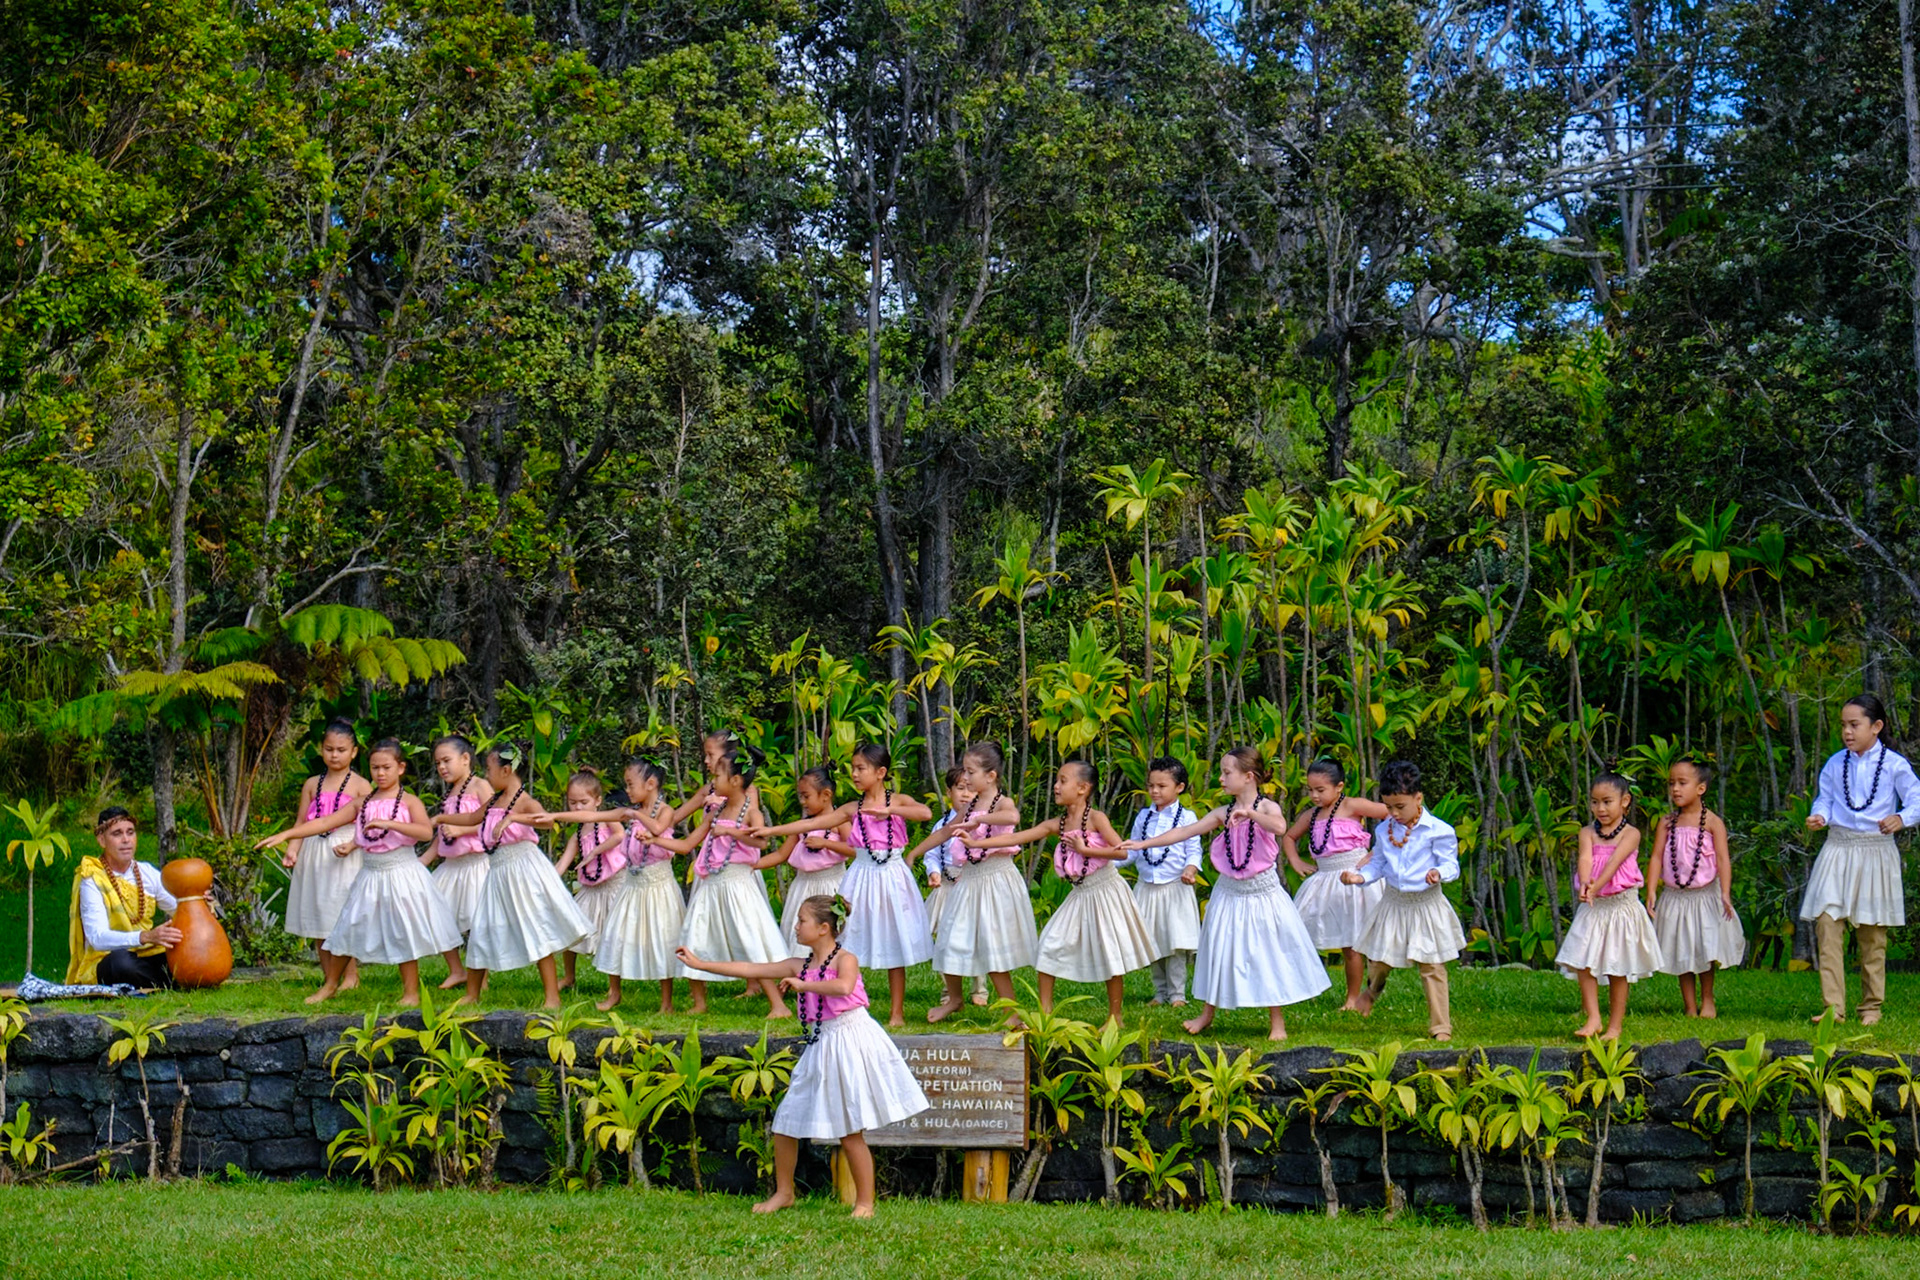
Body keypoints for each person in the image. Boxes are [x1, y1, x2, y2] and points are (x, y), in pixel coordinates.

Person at [677, 894, 930, 1219]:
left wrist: (804, 985)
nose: (795, 926)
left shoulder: (845, 959)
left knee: (850, 1128)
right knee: (786, 1121)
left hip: (850, 1039)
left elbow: (843, 987)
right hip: (820, 1043)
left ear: (824, 928)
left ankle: (865, 1202)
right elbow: (751, 968)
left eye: (801, 921)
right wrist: (700, 964)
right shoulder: (801, 965)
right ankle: (784, 1193)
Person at [1123, 747, 1330, 1040]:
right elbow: (1186, 832)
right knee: (1219, 950)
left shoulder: (1267, 807)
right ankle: (1207, 1014)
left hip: (1262, 895)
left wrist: (1250, 813)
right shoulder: (1223, 812)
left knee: (1268, 954)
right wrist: (1143, 844)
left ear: (1248, 777)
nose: (1221, 778)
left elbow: (1280, 827)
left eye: (1226, 773)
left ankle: (1277, 1022)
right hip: (1228, 892)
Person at [258, 739, 463, 1007]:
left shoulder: (409, 802)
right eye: (375, 767)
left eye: (386, 767)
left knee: (403, 929)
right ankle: (331, 985)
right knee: (347, 926)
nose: (380, 773)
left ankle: (411, 992)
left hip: (402, 871)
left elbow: (425, 831)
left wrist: (390, 823)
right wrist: (287, 833)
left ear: (400, 768)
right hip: (370, 872)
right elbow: (323, 821)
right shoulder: (361, 803)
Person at [746, 744, 933, 1027]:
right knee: (848, 937)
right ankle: (850, 999)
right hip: (861, 875)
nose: (855, 775)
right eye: (853, 769)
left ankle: (897, 1012)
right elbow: (811, 824)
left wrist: (889, 809)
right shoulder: (850, 809)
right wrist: (772, 830)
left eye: (861, 769)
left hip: (893, 874)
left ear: (881, 772)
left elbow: (925, 813)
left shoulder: (899, 800)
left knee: (894, 939)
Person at [966, 761, 1158, 1024]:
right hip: (1080, 893)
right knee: (1048, 945)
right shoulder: (1058, 823)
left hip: (1105, 889)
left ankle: (1115, 1017)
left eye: (1063, 780)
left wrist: (1086, 850)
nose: (1056, 786)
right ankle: (1044, 1013)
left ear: (1082, 788)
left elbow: (1123, 851)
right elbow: (1017, 837)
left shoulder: (1096, 819)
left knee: (1109, 953)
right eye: (1057, 780)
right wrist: (978, 842)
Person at [434, 742, 592, 1011]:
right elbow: (473, 818)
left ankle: (552, 997)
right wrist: (439, 819)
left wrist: (516, 820)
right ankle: (473, 993)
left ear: (506, 770)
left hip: (523, 870)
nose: (486, 774)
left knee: (537, 928)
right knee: (482, 927)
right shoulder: (494, 801)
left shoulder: (525, 801)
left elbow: (548, 822)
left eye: (489, 769)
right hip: (497, 872)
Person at [1802, 693, 1919, 1025]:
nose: (1847, 732)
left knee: (1872, 933)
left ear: (1876, 726)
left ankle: (1871, 1006)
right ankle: (1832, 1008)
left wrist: (1901, 818)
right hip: (1838, 848)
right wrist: (1820, 816)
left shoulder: (1895, 765)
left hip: (1875, 850)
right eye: (1843, 725)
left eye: (1854, 725)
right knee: (1827, 923)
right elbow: (1825, 799)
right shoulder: (1836, 763)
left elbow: (1916, 799)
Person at [655, 742, 792, 1018]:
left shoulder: (751, 812)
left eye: (718, 776)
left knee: (751, 941)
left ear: (735, 780)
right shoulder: (714, 811)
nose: (713, 781)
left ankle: (778, 1005)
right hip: (711, 884)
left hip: (738, 885)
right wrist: (655, 839)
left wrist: (731, 833)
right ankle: (699, 1002)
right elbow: (686, 845)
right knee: (695, 935)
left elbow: (763, 841)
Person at [1341, 760, 1466, 1042]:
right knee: (1382, 960)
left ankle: (1440, 1027)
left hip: (1426, 904)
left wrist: (1438, 873)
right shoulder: (1384, 831)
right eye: (1389, 807)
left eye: (1400, 806)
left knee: (1431, 965)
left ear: (1418, 798)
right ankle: (1371, 993)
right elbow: (1378, 865)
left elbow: (1452, 866)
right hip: (1393, 902)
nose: (1394, 813)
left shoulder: (1439, 830)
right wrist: (1360, 877)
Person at [924, 741, 1036, 1023]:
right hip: (969, 879)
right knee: (948, 938)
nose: (966, 777)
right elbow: (947, 831)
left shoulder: (1002, 803)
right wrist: (915, 852)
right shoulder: (970, 805)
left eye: (971, 772)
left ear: (990, 776)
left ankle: (1010, 1010)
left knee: (992, 945)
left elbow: (1012, 816)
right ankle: (955, 998)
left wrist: (978, 821)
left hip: (996, 879)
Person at [1556, 773, 1662, 1040]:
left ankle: (1615, 1026)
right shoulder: (1587, 832)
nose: (1600, 809)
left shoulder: (1631, 834)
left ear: (1625, 801)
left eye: (1607, 802)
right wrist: (1584, 883)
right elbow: (1585, 859)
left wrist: (1595, 885)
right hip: (1593, 907)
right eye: (1594, 802)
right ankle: (1593, 1017)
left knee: (1617, 967)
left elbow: (1614, 863)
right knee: (1583, 962)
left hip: (1621, 908)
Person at [1281, 758, 1390, 1012]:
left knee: (1363, 941)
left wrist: (1375, 853)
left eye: (1320, 790)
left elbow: (1392, 814)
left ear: (1339, 786)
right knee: (1347, 944)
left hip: (1356, 877)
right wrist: (1295, 860)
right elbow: (1288, 836)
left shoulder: (1353, 806)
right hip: (1326, 881)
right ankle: (1350, 998)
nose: (1314, 796)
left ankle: (1366, 994)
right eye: (1310, 790)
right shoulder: (1311, 815)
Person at [1646, 758, 1743, 1019]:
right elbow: (1656, 856)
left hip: (1704, 896)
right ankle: (1689, 1005)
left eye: (1682, 783)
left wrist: (1725, 892)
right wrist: (1652, 889)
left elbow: (1723, 859)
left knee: (1704, 947)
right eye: (1671, 784)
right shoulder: (1666, 823)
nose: (1675, 789)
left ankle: (1707, 999)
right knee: (1683, 950)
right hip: (1676, 897)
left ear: (1700, 788)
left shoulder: (1713, 823)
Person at [279, 720, 371, 992]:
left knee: (340, 912)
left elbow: (368, 826)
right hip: (314, 852)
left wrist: (354, 845)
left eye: (341, 750)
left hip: (344, 852)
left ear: (353, 752)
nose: (334, 755)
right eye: (329, 749)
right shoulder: (311, 784)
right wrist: (293, 849)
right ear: (321, 750)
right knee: (317, 911)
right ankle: (329, 975)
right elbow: (301, 822)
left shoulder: (361, 785)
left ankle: (350, 975)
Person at [589, 760, 685, 1014]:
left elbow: (657, 828)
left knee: (663, 938)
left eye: (631, 785)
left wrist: (635, 816)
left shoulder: (665, 810)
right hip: (632, 884)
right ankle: (614, 993)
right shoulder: (634, 812)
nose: (627, 790)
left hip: (658, 885)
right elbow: (597, 816)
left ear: (650, 784)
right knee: (615, 934)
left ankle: (666, 1002)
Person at [1117, 757, 1202, 1008]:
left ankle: (1178, 995)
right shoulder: (1143, 816)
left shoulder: (1187, 817)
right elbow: (1132, 851)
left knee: (1175, 943)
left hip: (1175, 887)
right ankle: (1160, 992)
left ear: (1180, 787)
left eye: (1162, 786)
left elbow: (1193, 849)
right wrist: (1108, 863)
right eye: (1151, 785)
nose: (1154, 791)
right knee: (1152, 941)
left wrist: (1190, 869)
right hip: (1147, 887)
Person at [66, 808, 179, 987]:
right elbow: (97, 937)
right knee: (121, 963)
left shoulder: (146, 872)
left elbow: (178, 908)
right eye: (117, 834)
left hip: (147, 954)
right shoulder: (92, 878)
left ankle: (166, 980)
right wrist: (144, 937)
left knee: (184, 950)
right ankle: (172, 981)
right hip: (109, 958)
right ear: (101, 840)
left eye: (130, 832)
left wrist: (195, 900)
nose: (126, 840)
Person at [416, 734, 492, 988]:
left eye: (446, 761)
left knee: (478, 923)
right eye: (438, 763)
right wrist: (420, 864)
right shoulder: (449, 795)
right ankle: (457, 969)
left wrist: (461, 831)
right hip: (451, 866)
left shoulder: (480, 786)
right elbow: (441, 838)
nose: (441, 767)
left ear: (465, 758)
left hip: (476, 864)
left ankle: (480, 978)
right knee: (432, 911)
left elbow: (492, 819)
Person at [910, 769, 990, 1007]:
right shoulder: (942, 825)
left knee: (974, 939)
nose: (966, 794)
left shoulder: (983, 822)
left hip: (972, 885)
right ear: (949, 792)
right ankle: (949, 990)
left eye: (971, 789)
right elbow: (932, 854)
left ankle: (980, 988)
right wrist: (933, 872)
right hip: (947, 887)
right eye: (960, 788)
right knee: (945, 940)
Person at [755, 767, 853, 956]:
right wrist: (752, 865)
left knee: (829, 933)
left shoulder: (840, 822)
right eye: (800, 796)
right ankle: (801, 973)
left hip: (831, 885)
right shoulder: (802, 825)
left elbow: (854, 851)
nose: (802, 802)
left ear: (826, 795)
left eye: (806, 796)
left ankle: (831, 971)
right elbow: (781, 855)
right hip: (803, 885)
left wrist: (826, 843)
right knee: (801, 932)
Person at [549, 769, 624, 992]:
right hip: (590, 890)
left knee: (612, 937)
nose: (578, 808)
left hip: (614, 886)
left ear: (598, 801)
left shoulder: (609, 822)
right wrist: (545, 880)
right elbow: (562, 864)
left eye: (584, 802)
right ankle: (569, 976)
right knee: (571, 929)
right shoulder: (578, 835)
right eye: (573, 803)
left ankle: (614, 987)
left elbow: (620, 835)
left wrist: (596, 852)